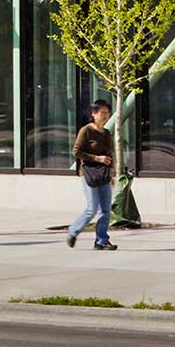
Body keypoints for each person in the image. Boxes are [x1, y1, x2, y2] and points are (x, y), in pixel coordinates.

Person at [68, 100, 120, 251]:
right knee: (92, 209)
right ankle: (73, 231)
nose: (105, 116)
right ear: (93, 114)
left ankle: (102, 241)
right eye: (101, 112)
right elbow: (76, 152)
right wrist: (97, 158)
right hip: (89, 174)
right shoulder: (86, 131)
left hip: (103, 174)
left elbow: (109, 154)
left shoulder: (106, 133)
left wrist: (112, 173)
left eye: (107, 113)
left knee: (105, 209)